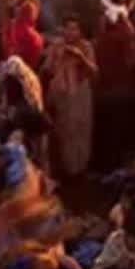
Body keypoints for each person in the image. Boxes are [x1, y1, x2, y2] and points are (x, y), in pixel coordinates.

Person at [40, 15, 98, 177]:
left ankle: (80, 169)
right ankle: (67, 170)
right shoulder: (56, 46)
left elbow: (93, 71)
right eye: (68, 28)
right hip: (61, 97)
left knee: (82, 130)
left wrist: (81, 58)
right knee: (64, 132)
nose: (71, 32)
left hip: (80, 96)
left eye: (75, 28)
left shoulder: (86, 47)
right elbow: (47, 70)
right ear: (63, 30)